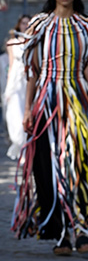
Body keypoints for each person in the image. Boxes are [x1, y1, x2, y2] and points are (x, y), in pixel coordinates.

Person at [12, 0, 88, 255]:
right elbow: (32, 72)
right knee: (50, 166)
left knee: (79, 163)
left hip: (78, 103)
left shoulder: (87, 27)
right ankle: (59, 233)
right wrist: (28, 109)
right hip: (46, 102)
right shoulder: (39, 25)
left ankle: (81, 229)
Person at [4, 14, 31, 160]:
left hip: (28, 83)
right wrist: (8, 88)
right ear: (19, 25)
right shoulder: (12, 43)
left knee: (27, 117)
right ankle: (20, 146)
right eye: (23, 23)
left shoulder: (33, 41)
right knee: (16, 116)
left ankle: (27, 149)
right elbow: (12, 65)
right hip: (16, 82)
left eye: (28, 23)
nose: (25, 26)